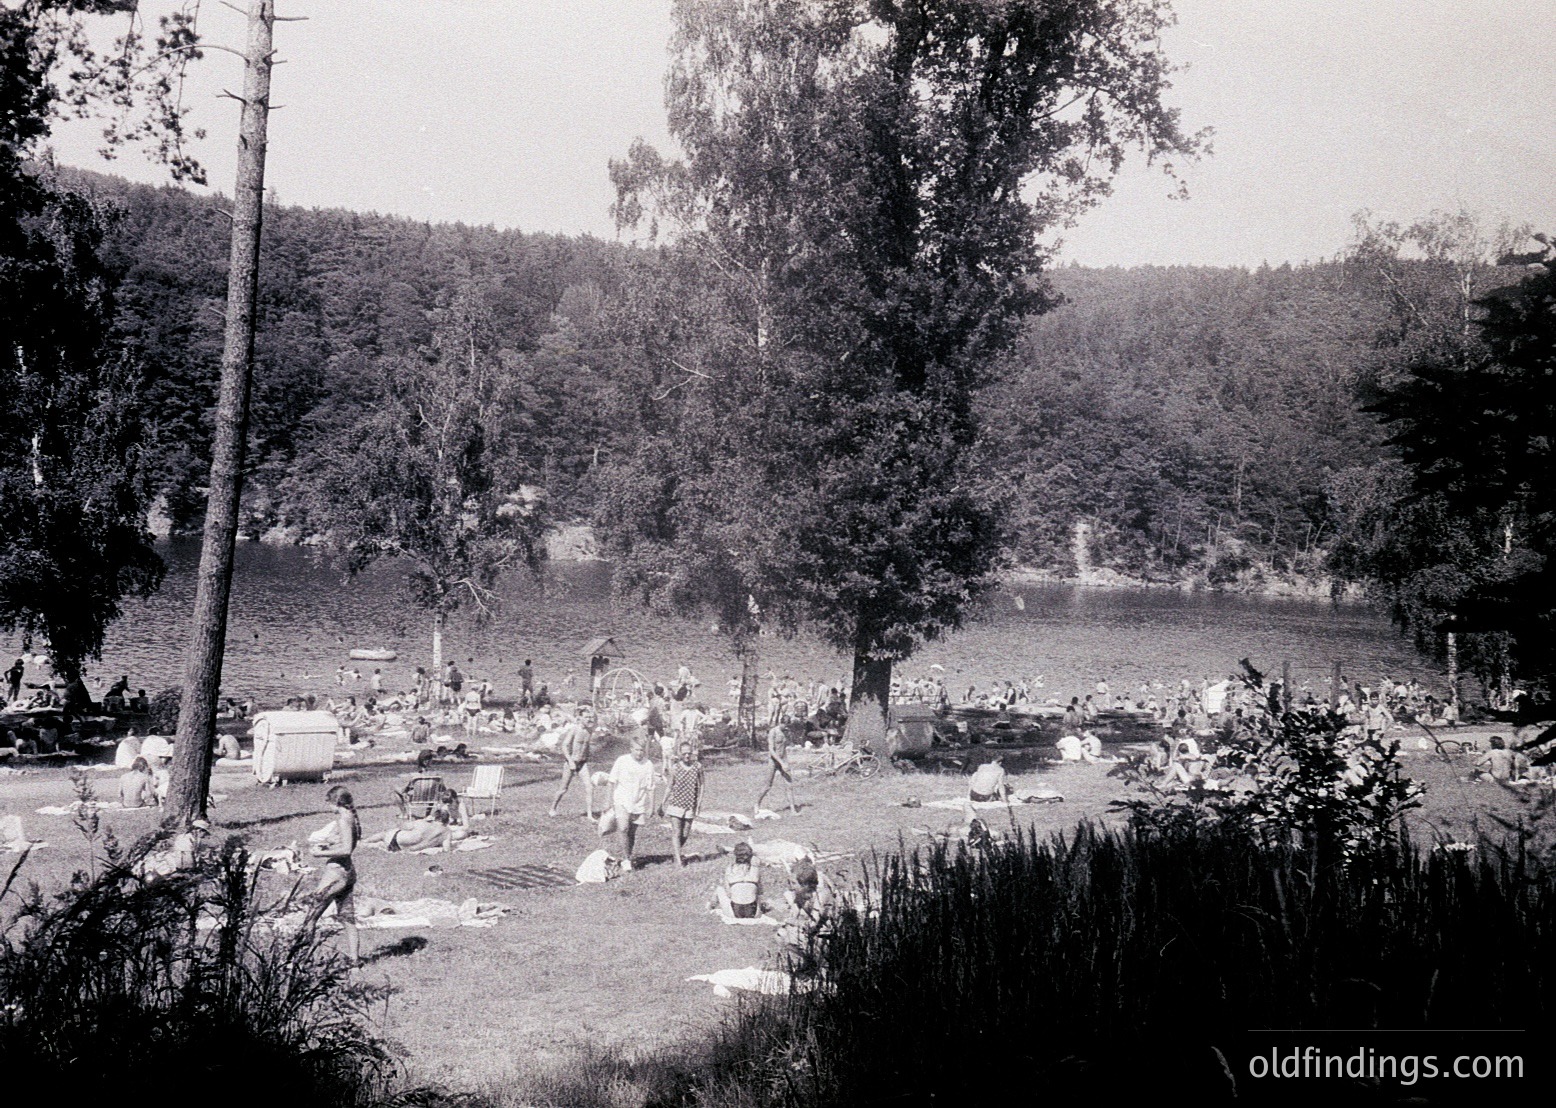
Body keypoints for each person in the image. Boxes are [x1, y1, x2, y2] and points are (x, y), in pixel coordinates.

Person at [304, 785, 361, 964]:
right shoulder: (353, 818)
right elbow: (347, 844)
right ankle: (354, 961)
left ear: (336, 802)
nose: (329, 807)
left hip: (335, 873)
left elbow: (346, 849)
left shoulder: (343, 820)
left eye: (329, 803)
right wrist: (330, 845)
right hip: (348, 872)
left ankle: (301, 961)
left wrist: (319, 853)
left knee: (310, 917)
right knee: (348, 919)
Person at [606, 736, 657, 870]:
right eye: (636, 750)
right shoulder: (622, 761)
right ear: (631, 749)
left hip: (638, 802)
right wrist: (607, 801)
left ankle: (627, 855)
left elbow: (650, 787)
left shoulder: (648, 764)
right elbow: (611, 781)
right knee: (623, 828)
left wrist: (651, 806)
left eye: (641, 750)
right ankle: (626, 859)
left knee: (631, 833)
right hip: (621, 800)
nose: (639, 753)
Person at [663, 742, 705, 867]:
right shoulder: (675, 767)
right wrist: (663, 802)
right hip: (676, 803)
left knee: (685, 833)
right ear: (680, 753)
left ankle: (676, 853)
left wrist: (699, 803)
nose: (687, 756)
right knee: (676, 832)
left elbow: (702, 785)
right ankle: (678, 861)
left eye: (689, 753)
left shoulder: (698, 766)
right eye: (684, 753)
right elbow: (669, 786)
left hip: (690, 804)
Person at [550, 714, 597, 818]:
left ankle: (589, 815)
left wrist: (587, 756)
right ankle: (553, 808)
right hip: (571, 762)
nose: (589, 719)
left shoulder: (589, 731)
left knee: (589, 787)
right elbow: (564, 746)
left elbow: (586, 746)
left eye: (591, 717)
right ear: (580, 718)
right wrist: (570, 761)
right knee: (563, 789)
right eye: (587, 717)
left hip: (582, 763)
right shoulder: (574, 730)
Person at [754, 716, 799, 816]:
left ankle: (793, 810)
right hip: (773, 761)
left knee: (789, 784)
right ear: (781, 723)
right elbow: (771, 750)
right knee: (767, 786)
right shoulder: (773, 732)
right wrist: (781, 763)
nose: (786, 727)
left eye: (787, 725)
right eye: (785, 725)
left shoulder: (786, 732)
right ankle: (757, 803)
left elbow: (784, 747)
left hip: (783, 759)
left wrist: (786, 762)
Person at [717, 841, 762, 919]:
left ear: (735, 855)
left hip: (735, 912)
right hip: (753, 913)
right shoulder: (755, 870)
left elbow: (728, 894)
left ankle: (709, 906)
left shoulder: (729, 869)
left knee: (719, 889)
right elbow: (760, 892)